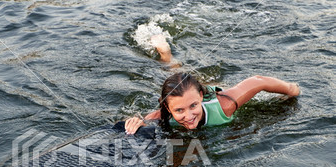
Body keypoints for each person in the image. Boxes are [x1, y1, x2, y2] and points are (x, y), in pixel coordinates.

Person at [125, 35, 300, 134]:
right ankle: (166, 56)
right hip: (183, 93)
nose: (189, 115)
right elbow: (134, 122)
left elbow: (259, 81)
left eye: (193, 105)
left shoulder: (225, 105)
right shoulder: (161, 116)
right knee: (173, 75)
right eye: (179, 110)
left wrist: (291, 89)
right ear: (168, 108)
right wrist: (136, 122)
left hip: (212, 92)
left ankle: (167, 55)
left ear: (200, 97)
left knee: (190, 80)